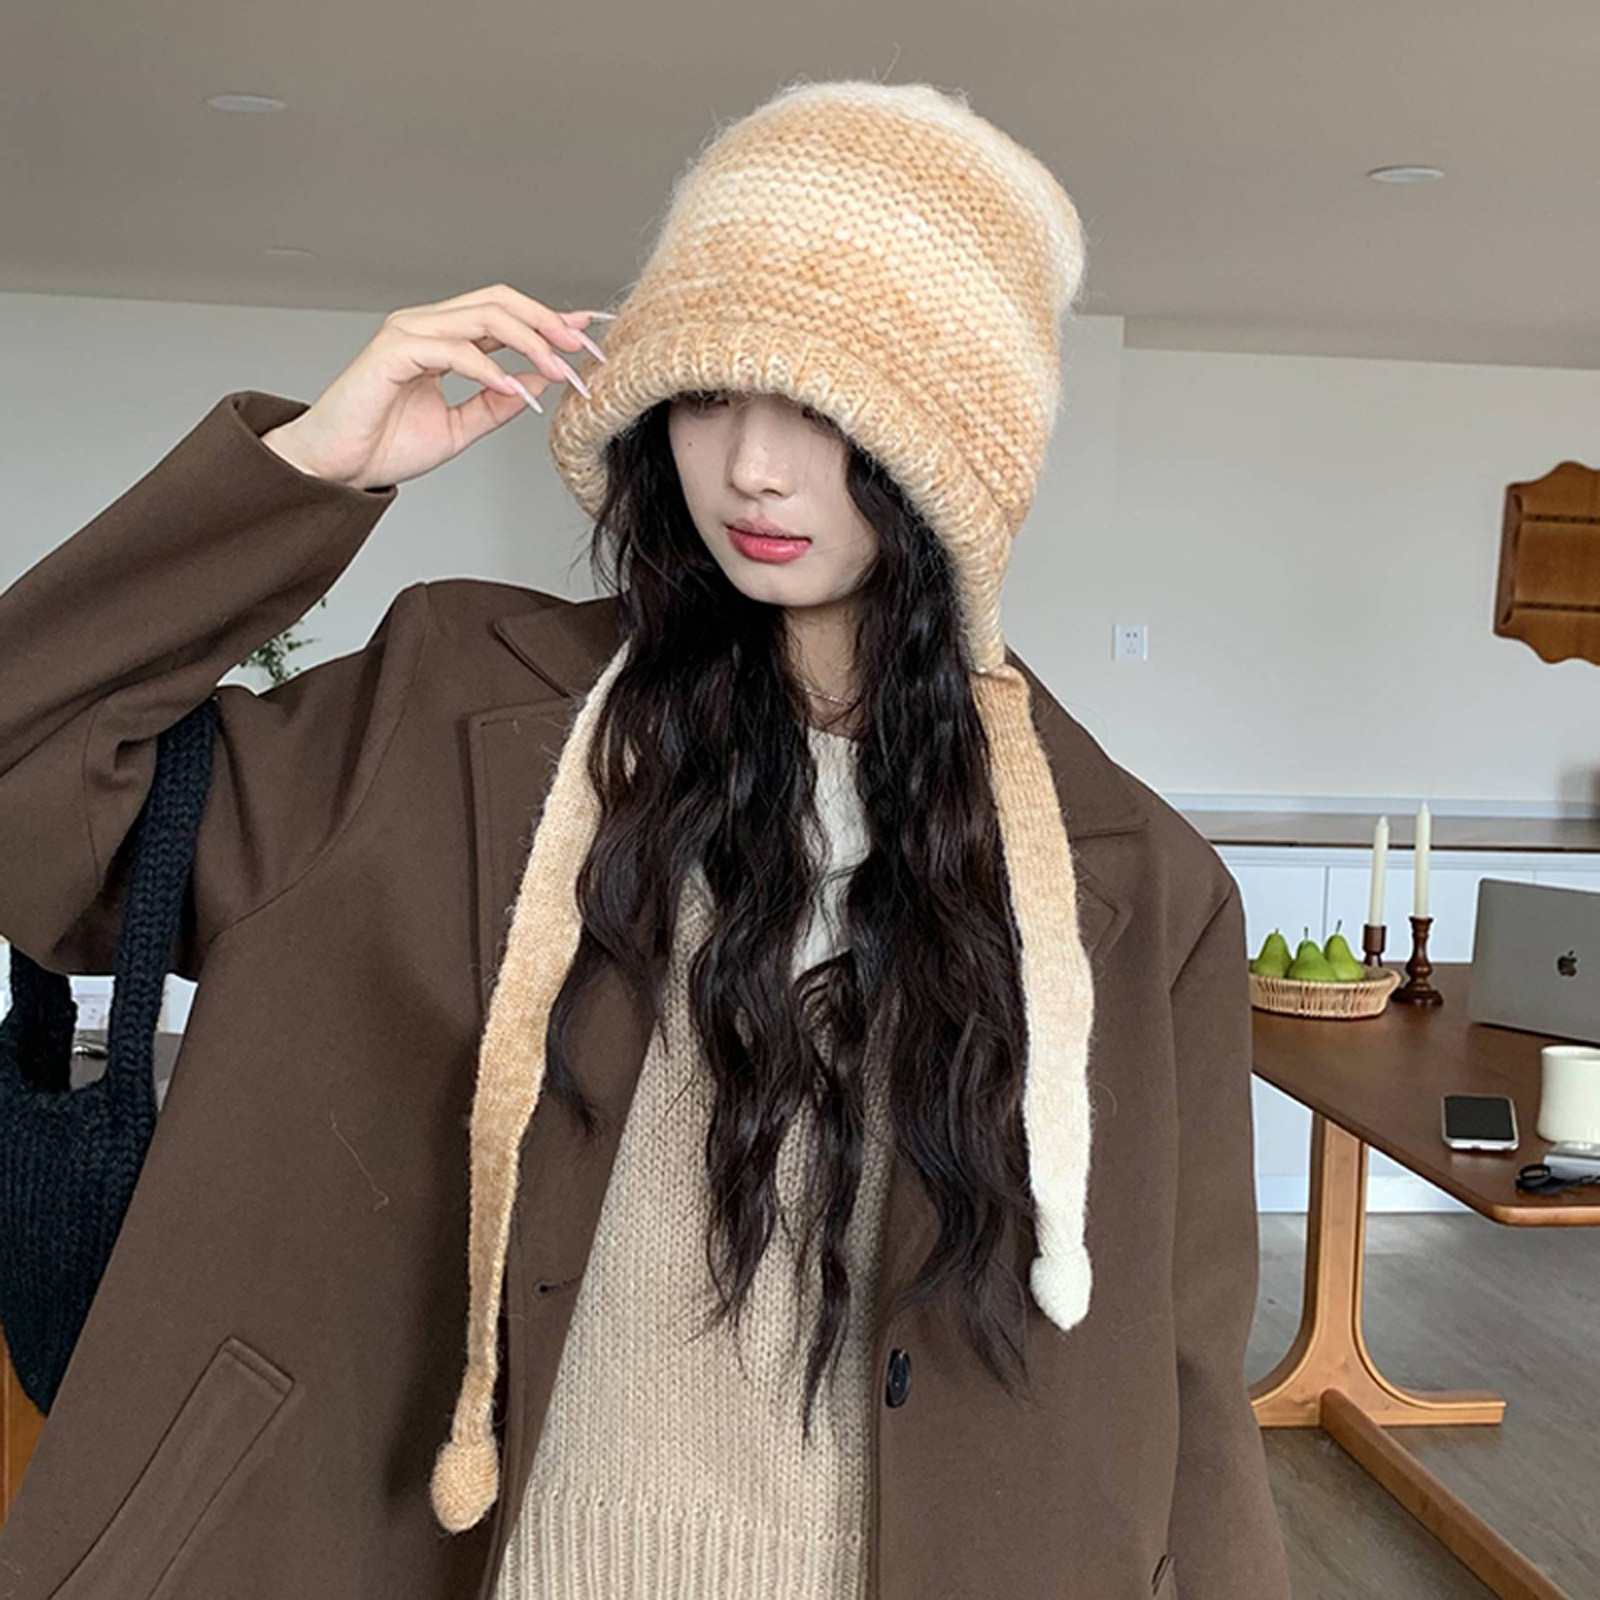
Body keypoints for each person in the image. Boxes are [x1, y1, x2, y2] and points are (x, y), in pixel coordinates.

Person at [0, 79, 1290, 1598]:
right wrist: (302, 480)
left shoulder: (1135, 885)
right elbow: (28, 789)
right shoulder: (446, 707)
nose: (751, 467)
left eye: (826, 408)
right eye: (708, 392)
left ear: (957, 444)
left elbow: (1188, 1381)